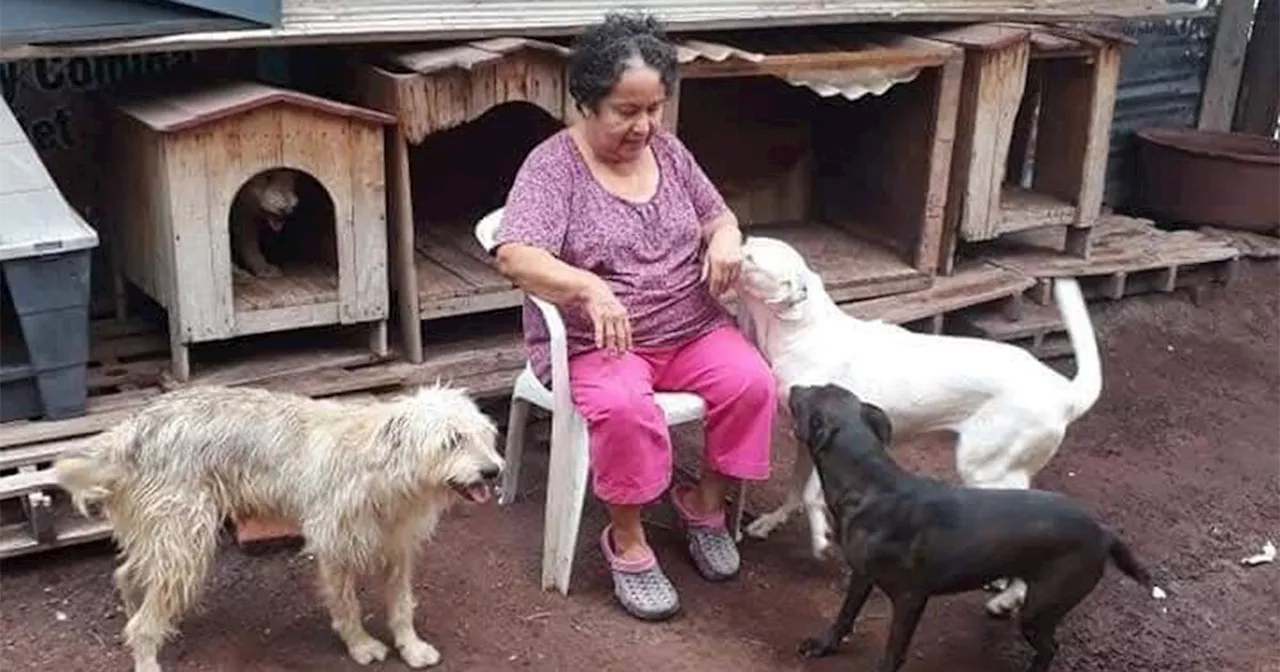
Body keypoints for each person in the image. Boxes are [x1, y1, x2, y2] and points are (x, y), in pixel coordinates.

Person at [491, 11, 777, 621]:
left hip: (689, 325)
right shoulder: (553, 167)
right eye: (626, 111)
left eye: (655, 109)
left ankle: (702, 504)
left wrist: (725, 237)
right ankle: (627, 539)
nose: (644, 126)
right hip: (601, 343)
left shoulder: (670, 154)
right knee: (624, 410)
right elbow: (515, 255)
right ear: (587, 102)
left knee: (751, 382)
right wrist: (587, 287)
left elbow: (716, 215)